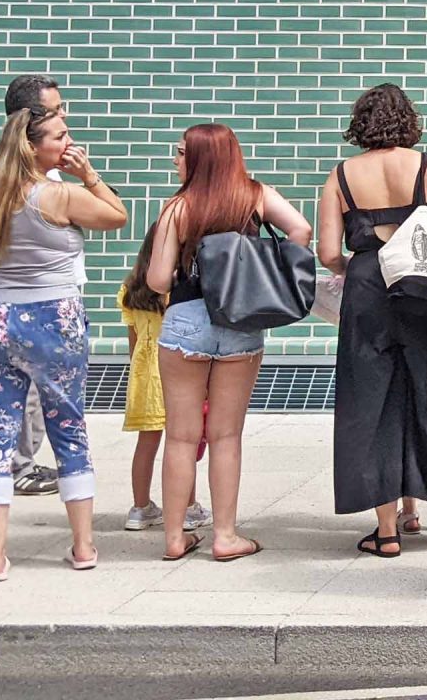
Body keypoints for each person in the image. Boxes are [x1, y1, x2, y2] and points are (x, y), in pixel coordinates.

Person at [0, 106, 130, 581]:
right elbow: (117, 215)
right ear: (34, 147)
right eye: (60, 136)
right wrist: (89, 174)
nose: (68, 142)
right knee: (68, 428)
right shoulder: (60, 195)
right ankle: (84, 545)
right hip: (54, 318)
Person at [145, 123, 314, 563]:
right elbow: (301, 230)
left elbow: (159, 279)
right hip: (239, 320)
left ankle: (174, 539)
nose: (174, 158)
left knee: (181, 437)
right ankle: (225, 536)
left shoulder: (178, 207)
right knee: (225, 435)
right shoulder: (254, 196)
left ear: (197, 158)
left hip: (185, 321)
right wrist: (259, 265)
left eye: (180, 151)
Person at [317, 84, 427, 556]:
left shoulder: (340, 176)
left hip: (367, 287)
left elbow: (327, 252)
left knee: (371, 399)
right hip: (426, 287)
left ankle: (387, 529)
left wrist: (354, 270)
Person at [115, 229, 207, 534]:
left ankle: (140, 509)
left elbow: (134, 341)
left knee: (146, 445)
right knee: (182, 443)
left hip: (143, 379)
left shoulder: (129, 290)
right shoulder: (176, 290)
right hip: (176, 373)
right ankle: (188, 508)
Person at [3, 73, 66, 499]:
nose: (65, 120)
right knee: (28, 392)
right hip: (32, 304)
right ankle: (18, 465)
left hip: (21, 303)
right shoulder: (22, 179)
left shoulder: (30, 175)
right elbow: (111, 214)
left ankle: (15, 462)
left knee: (28, 394)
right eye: (58, 112)